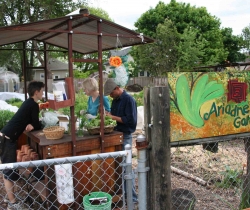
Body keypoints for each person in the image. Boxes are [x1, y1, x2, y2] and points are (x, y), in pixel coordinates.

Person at [0, 81, 45, 210]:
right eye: (42, 91)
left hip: (6, 136)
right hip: (8, 139)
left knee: (8, 170)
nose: (42, 93)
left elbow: (31, 122)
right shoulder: (33, 105)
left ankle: (11, 199)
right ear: (36, 92)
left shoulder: (28, 103)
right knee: (8, 171)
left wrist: (32, 124)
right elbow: (36, 124)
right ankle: (12, 203)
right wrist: (35, 125)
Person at [104, 78, 138, 204]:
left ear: (117, 88)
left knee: (127, 168)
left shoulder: (129, 100)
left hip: (125, 136)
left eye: (111, 93)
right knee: (120, 168)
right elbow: (113, 116)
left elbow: (131, 121)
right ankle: (124, 196)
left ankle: (133, 198)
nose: (111, 96)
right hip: (116, 135)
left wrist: (111, 117)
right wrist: (107, 115)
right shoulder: (116, 100)